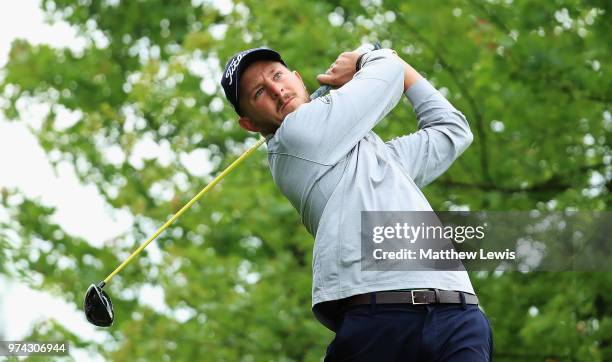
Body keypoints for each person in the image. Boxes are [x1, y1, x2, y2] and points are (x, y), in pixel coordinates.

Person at [220, 45, 493, 361]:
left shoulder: (382, 159)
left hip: (457, 313)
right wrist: (368, 55)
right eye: (258, 93)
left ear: (296, 77)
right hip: (379, 320)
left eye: (277, 76)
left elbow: (453, 131)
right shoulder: (294, 136)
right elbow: (387, 71)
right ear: (250, 124)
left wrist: (393, 64)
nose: (277, 90)